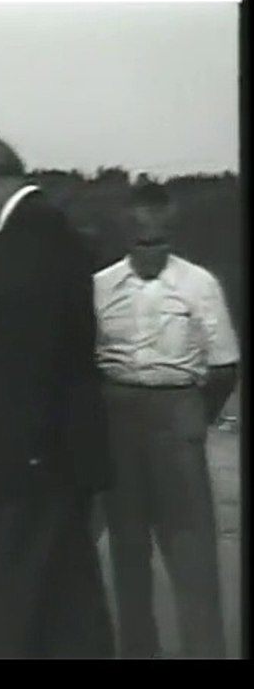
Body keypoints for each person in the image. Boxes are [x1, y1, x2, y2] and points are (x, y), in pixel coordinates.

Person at [0, 134, 115, 658]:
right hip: (60, 453)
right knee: (68, 601)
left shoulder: (24, 239)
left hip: (27, 456)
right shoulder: (48, 229)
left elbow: (26, 347)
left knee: (6, 599)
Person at [94, 183, 239, 658]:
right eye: (141, 242)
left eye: (159, 241)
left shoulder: (199, 285)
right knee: (128, 551)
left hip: (178, 410)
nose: (150, 251)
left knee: (191, 551)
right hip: (118, 415)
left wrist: (193, 417)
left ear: (172, 235)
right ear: (125, 237)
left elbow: (223, 366)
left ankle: (205, 649)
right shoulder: (101, 286)